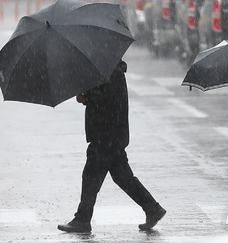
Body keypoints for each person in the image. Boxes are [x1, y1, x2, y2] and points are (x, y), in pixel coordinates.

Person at [58, 60, 166, 233]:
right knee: (122, 177)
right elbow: (106, 96)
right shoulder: (107, 69)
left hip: (106, 135)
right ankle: (152, 208)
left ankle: (82, 220)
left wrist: (88, 97)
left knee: (91, 176)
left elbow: (109, 100)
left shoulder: (111, 71)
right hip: (110, 135)